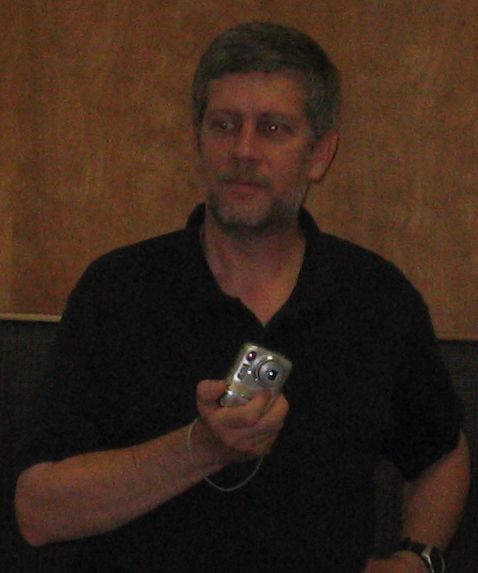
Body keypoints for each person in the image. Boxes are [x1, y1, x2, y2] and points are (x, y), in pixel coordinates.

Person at [15, 21, 469, 573]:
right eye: (224, 125)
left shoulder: (376, 299)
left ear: (321, 154)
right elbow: (38, 513)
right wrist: (202, 449)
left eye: (273, 128)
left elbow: (441, 454)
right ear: (198, 140)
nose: (243, 150)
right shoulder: (118, 292)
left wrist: (417, 559)